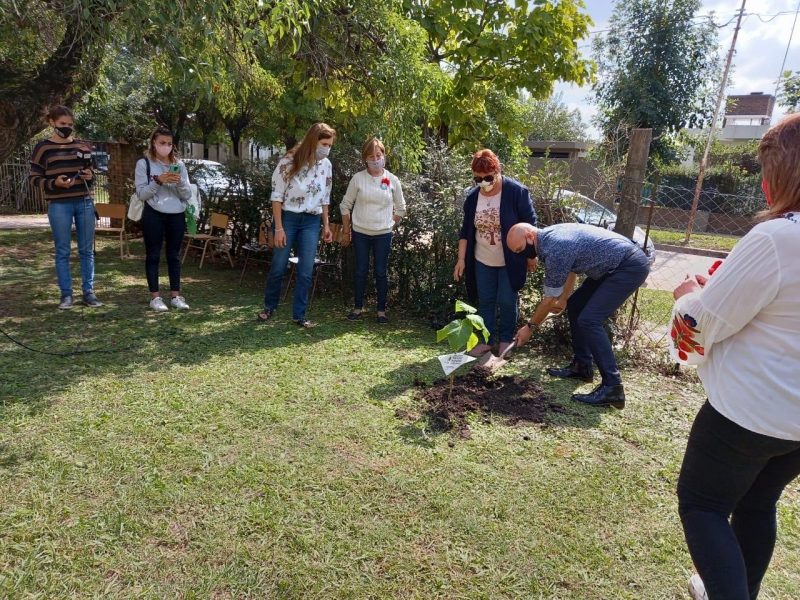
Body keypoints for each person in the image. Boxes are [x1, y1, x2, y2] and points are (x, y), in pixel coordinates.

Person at [671, 114, 800, 600]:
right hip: (796, 425)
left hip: (749, 415)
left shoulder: (776, 237)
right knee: (757, 502)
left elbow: (699, 326)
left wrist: (688, 294)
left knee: (703, 505)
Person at [507, 221, 650, 409]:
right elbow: (571, 269)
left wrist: (530, 327)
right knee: (575, 305)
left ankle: (613, 387)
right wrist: (565, 298)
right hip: (613, 267)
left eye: (519, 249)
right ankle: (582, 367)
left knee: (590, 320)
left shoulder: (556, 247)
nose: (521, 254)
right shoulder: (550, 236)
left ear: (529, 236)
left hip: (627, 266)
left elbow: (550, 299)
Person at [453, 149, 537, 357]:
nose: (483, 183)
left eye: (488, 178)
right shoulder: (473, 198)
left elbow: (531, 227)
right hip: (482, 258)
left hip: (510, 259)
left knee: (507, 301)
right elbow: (466, 231)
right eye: (478, 179)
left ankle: (506, 341)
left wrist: (530, 255)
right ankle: (486, 341)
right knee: (486, 300)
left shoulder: (516, 192)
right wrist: (461, 259)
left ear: (498, 171)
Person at [258, 123, 336, 328]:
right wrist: (279, 228)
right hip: (288, 218)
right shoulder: (289, 160)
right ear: (313, 141)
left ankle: (299, 315)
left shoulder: (326, 165)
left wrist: (326, 225)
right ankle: (269, 307)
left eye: (330, 145)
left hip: (311, 221)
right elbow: (276, 196)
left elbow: (325, 197)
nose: (327, 149)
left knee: (306, 269)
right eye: (324, 144)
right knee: (279, 265)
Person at [29, 106, 101, 309]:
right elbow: (34, 177)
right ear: (51, 122)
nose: (67, 128)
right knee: (63, 251)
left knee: (87, 250)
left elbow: (91, 173)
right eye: (62, 124)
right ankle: (66, 295)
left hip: (84, 201)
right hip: (59, 204)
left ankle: (89, 292)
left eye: (70, 124)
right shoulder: (42, 148)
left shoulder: (82, 146)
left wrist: (90, 176)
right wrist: (54, 183)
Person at [340, 137, 406, 324]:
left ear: (384, 156)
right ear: (365, 159)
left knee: (380, 272)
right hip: (360, 232)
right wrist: (347, 230)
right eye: (371, 156)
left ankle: (381, 311)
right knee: (360, 270)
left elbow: (401, 208)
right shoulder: (358, 178)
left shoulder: (392, 180)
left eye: (379, 155)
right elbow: (345, 205)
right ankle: (357, 308)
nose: (376, 159)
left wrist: (389, 224)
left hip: (383, 234)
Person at [134, 125, 192, 312]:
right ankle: (155, 297)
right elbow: (142, 194)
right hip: (154, 213)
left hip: (176, 214)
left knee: (174, 256)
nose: (166, 147)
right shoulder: (144, 164)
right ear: (154, 143)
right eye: (162, 143)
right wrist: (158, 181)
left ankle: (176, 296)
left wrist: (179, 181)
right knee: (153, 255)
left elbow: (187, 194)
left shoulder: (179, 164)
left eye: (169, 143)